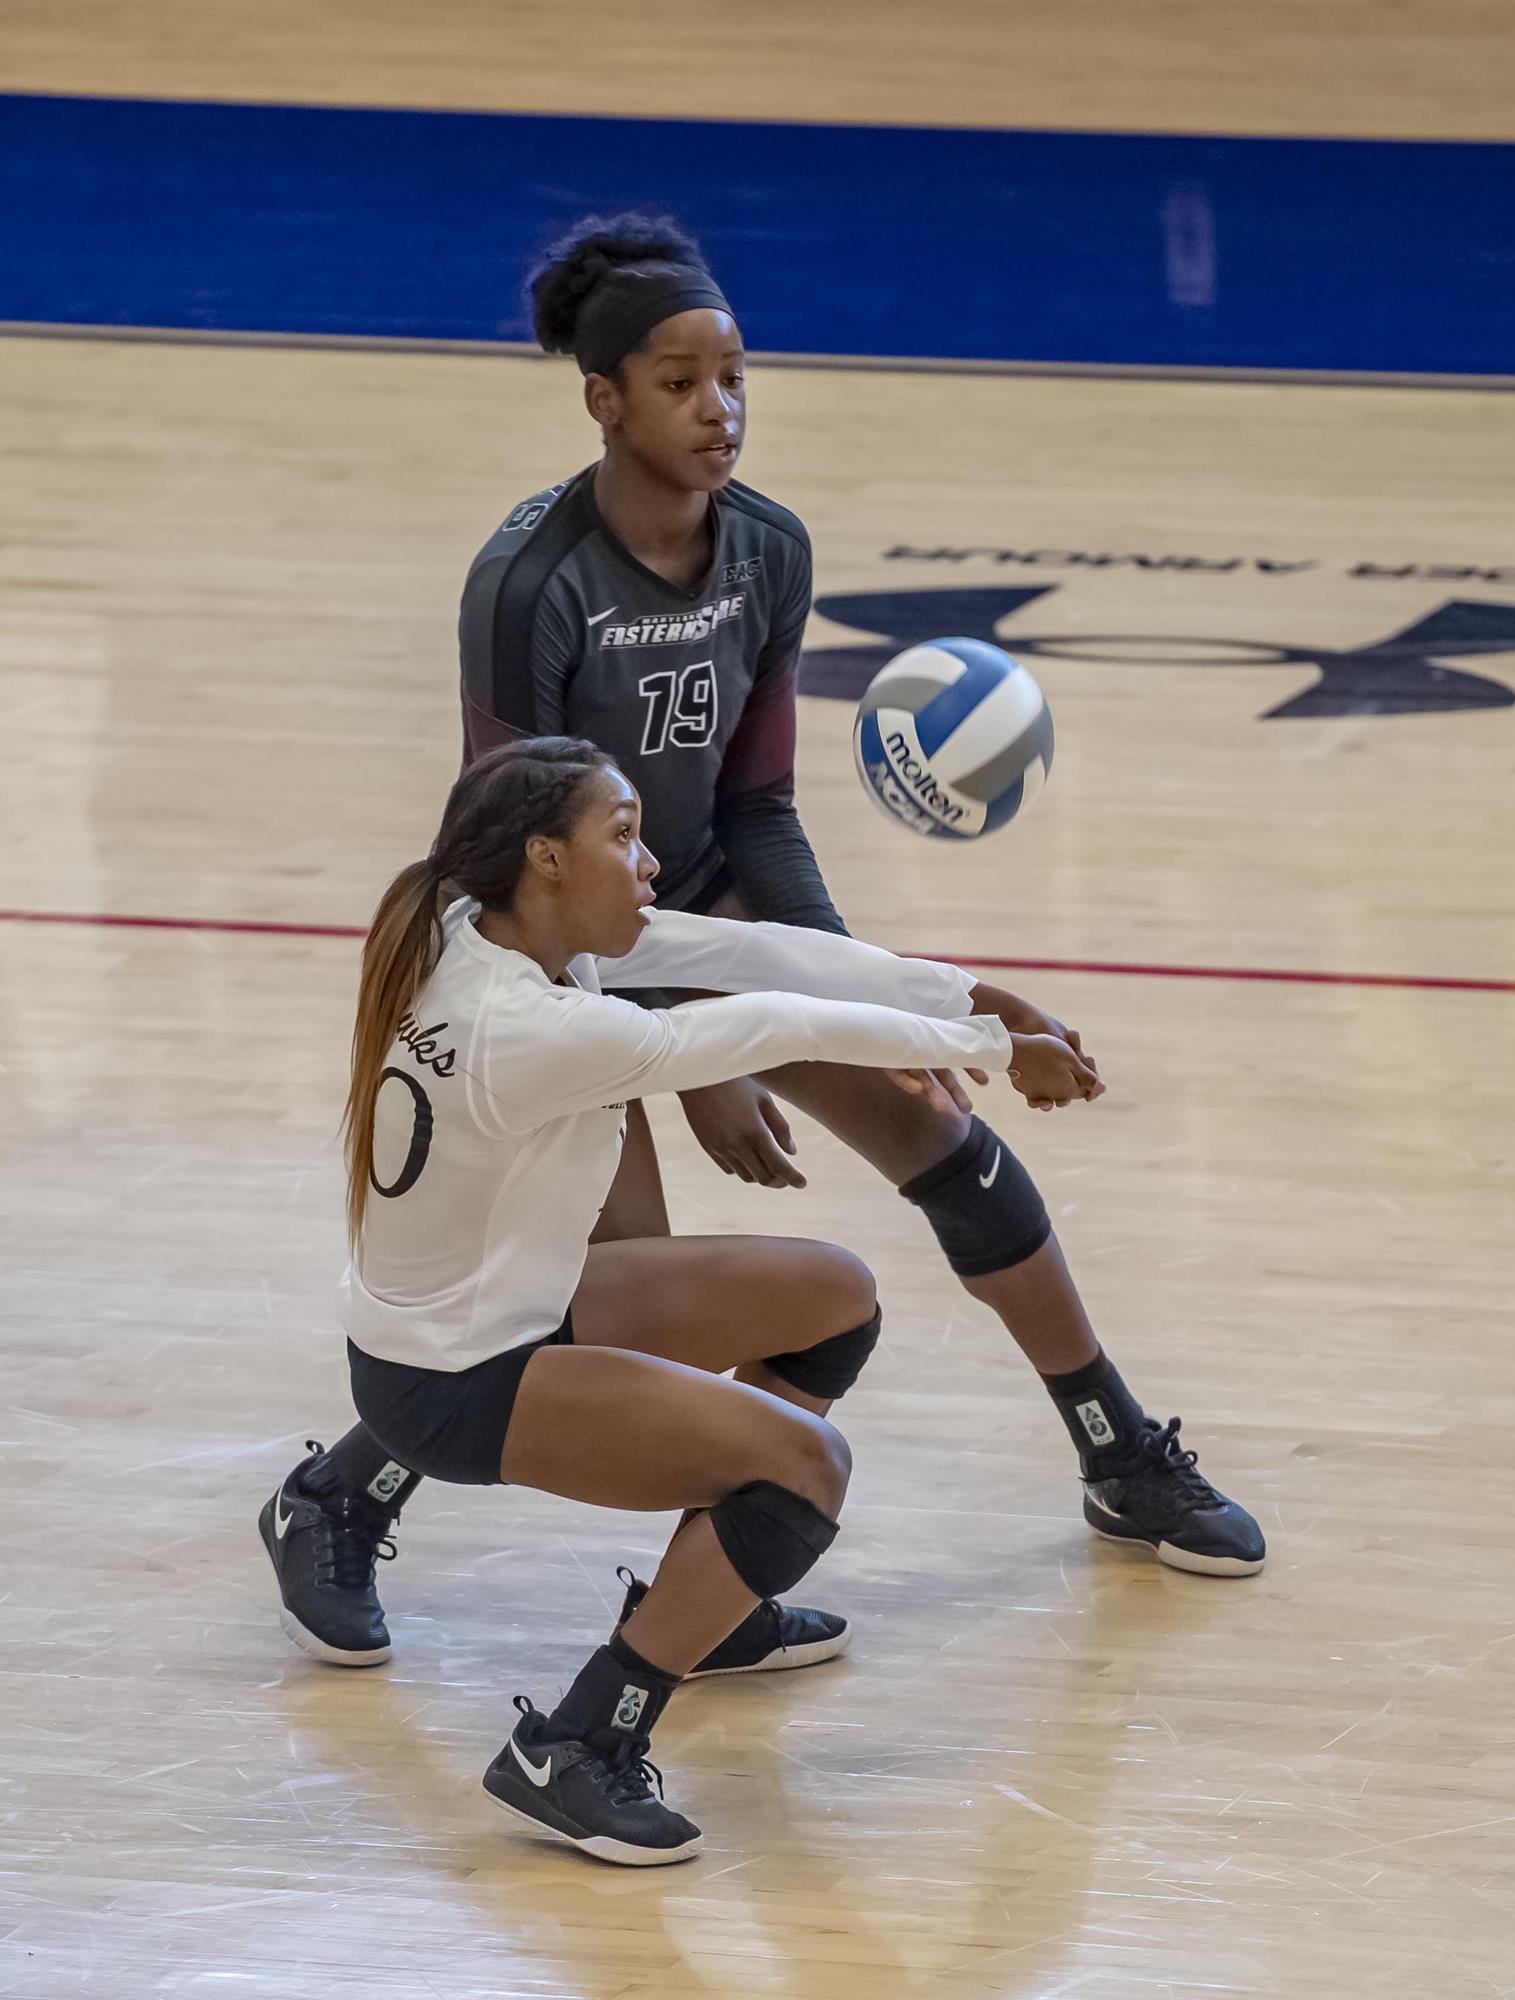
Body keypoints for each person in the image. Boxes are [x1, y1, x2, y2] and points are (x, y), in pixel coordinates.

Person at [263, 208, 1262, 1676]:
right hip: (571, 958)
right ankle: (344, 1495)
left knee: (943, 1134)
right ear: (604, 398)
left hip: (707, 902)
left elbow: (761, 804)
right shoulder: (533, 584)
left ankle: (1117, 1448)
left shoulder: (770, 552)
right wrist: (688, 1064)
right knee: (602, 1312)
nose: (717, 409)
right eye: (679, 382)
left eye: (734, 377)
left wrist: (829, 986)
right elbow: (514, 844)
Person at [271, 734, 1099, 1863]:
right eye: (623, 834)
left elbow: (765, 951)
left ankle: (709, 1612)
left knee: (831, 1296)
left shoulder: (468, 929)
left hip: (501, 1306)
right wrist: (989, 1045)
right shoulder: (534, 1030)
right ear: (547, 859)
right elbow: (776, 1024)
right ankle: (578, 1742)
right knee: (806, 1468)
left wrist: (973, 996)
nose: (652, 858)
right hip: (459, 1379)